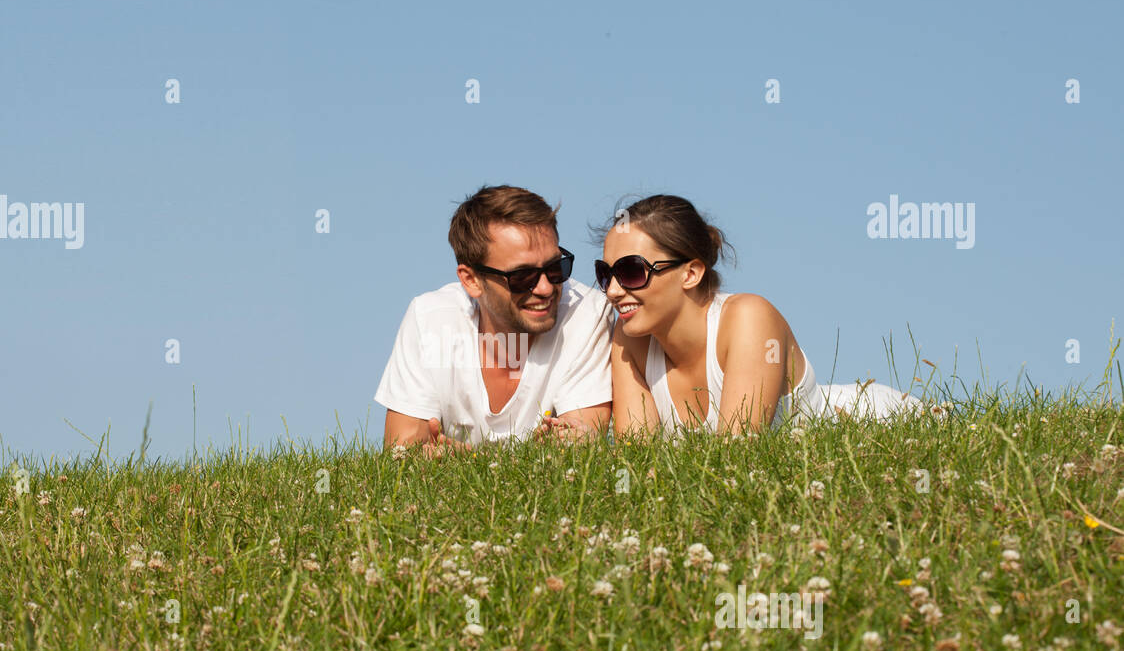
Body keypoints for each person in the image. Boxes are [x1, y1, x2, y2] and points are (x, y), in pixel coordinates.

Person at [601, 194, 922, 436]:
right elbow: (638, 467)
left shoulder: (748, 318)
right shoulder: (630, 338)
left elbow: (736, 458)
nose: (613, 290)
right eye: (606, 273)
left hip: (880, 424)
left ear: (691, 273)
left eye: (631, 271)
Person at [376, 185, 612, 452]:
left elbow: (579, 451)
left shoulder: (587, 312)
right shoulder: (430, 318)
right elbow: (403, 453)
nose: (546, 288)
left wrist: (468, 463)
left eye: (556, 267)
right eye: (522, 276)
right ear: (472, 280)